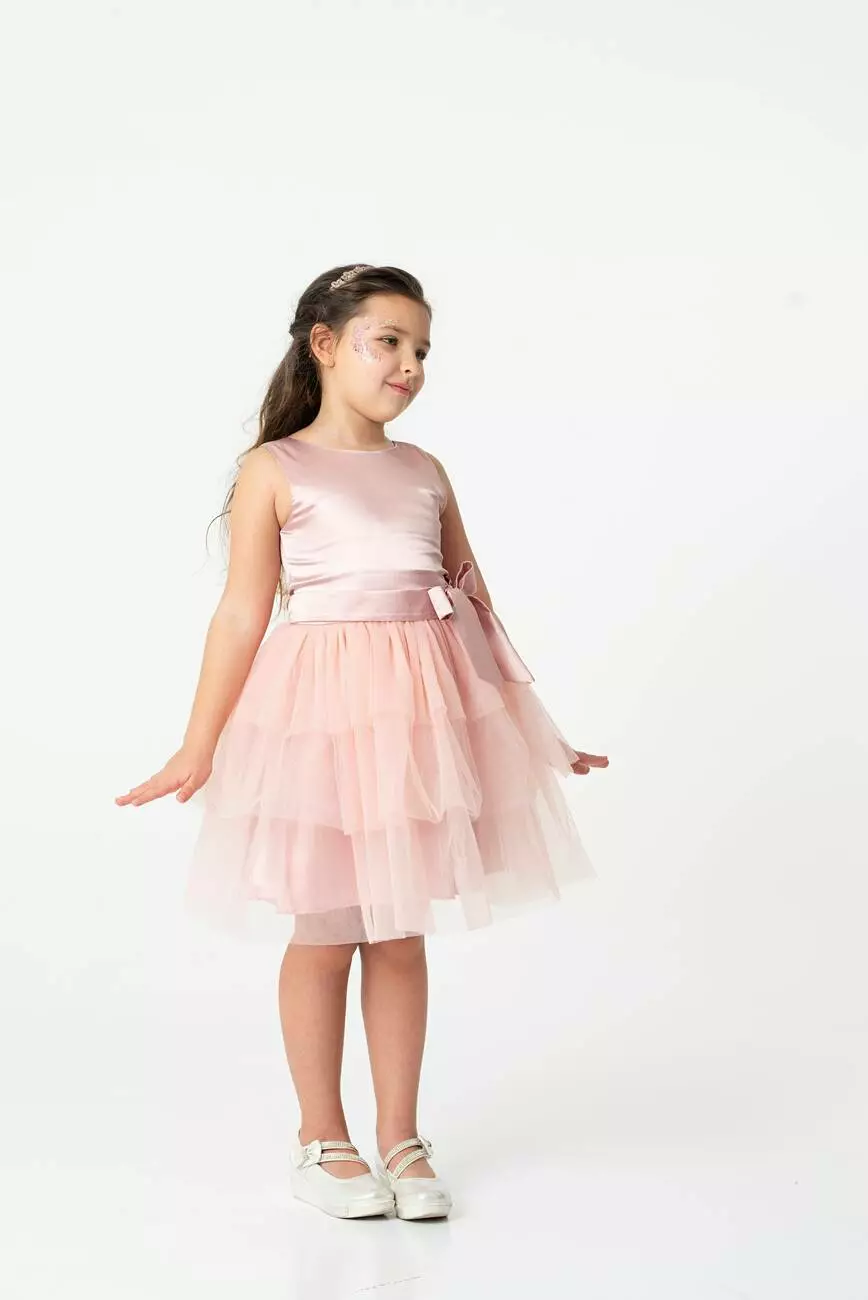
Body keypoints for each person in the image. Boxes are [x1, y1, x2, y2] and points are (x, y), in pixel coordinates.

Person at [115, 262, 609, 1221]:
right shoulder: (275, 469)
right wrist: (197, 743)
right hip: (319, 715)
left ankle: (402, 1137)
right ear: (325, 344)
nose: (410, 365)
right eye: (389, 342)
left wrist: (536, 731)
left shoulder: (425, 471)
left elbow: (474, 606)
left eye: (422, 349)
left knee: (397, 929)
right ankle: (322, 1137)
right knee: (323, 927)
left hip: (419, 718)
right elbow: (241, 613)